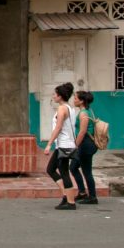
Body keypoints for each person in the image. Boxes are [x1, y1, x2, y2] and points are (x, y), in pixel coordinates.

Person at [43, 82, 79, 210]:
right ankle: (66, 195)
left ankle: (70, 202)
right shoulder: (69, 108)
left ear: (60, 96)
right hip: (63, 145)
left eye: (55, 94)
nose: (53, 96)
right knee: (50, 169)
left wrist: (48, 144)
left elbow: (58, 128)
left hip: (64, 145)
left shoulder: (62, 108)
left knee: (64, 172)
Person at [70, 90, 99, 204]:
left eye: (76, 98)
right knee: (73, 167)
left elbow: (82, 132)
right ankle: (82, 192)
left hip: (85, 145)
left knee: (87, 172)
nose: (74, 100)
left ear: (81, 101)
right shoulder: (88, 110)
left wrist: (75, 146)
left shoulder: (83, 114)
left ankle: (92, 197)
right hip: (86, 144)